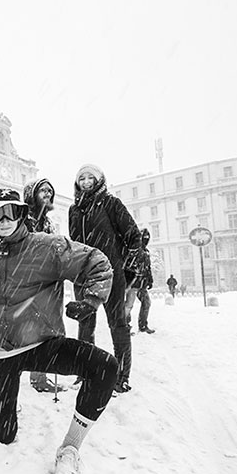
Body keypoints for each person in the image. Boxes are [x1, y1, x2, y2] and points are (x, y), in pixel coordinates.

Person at [0, 188, 118, 474]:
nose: (3, 221)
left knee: (104, 366)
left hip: (42, 344)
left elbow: (96, 261)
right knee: (4, 436)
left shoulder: (48, 248)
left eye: (11, 212)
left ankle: (70, 448)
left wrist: (91, 299)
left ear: (21, 213)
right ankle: (5, 398)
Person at [68, 164, 141, 394]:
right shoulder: (74, 209)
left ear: (99, 180)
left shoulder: (111, 203)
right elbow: (75, 241)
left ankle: (121, 375)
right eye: (82, 178)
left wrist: (126, 265)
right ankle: (86, 370)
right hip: (84, 273)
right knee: (85, 322)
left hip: (111, 273)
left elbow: (133, 235)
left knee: (118, 323)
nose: (87, 182)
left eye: (91, 177)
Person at [23, 177, 66, 394]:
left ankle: (39, 375)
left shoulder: (47, 222)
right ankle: (34, 376)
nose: (48, 194)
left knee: (46, 330)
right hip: (30, 282)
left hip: (48, 282)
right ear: (32, 194)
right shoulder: (25, 218)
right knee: (34, 330)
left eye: (50, 191)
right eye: (43, 191)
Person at [125, 228, 155, 334]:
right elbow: (128, 266)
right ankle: (125, 327)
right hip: (133, 283)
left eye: (147, 238)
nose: (146, 240)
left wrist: (150, 280)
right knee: (128, 305)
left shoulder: (146, 252)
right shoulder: (134, 251)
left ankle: (143, 326)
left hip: (142, 284)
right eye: (144, 238)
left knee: (146, 303)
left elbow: (148, 268)